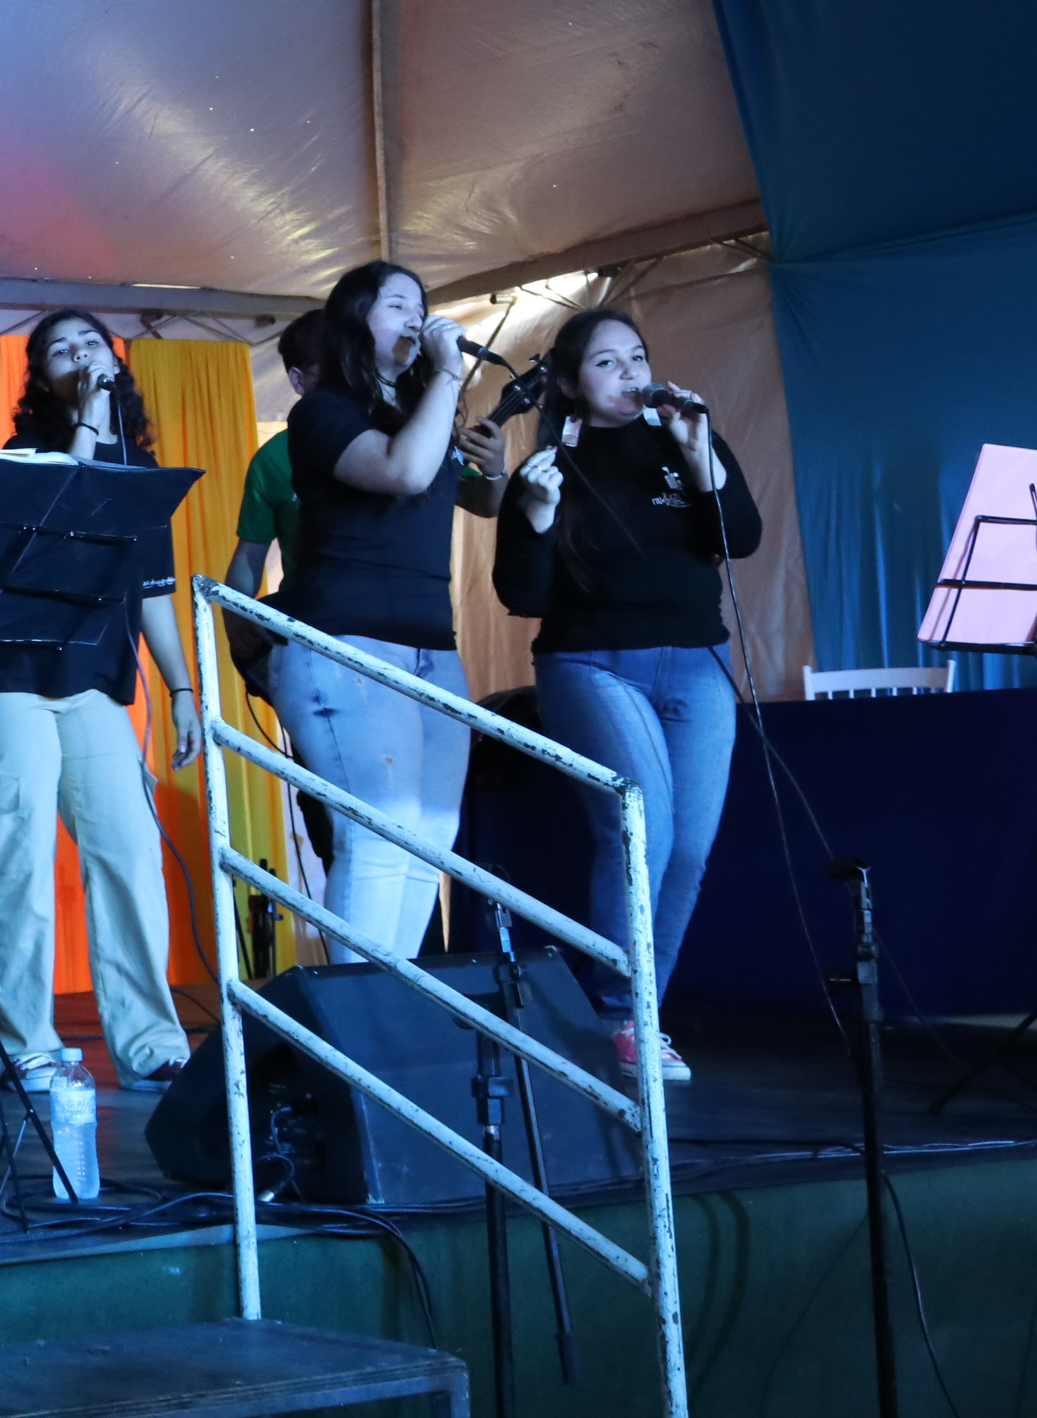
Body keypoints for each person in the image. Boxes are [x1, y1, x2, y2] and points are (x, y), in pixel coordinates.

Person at [496, 310, 758, 1080]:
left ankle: (642, 1018)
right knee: (641, 830)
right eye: (607, 362)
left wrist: (699, 453)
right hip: (594, 664)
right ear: (571, 382)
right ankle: (622, 1014)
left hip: (699, 664)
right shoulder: (549, 469)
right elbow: (520, 594)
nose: (630, 373)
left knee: (690, 850)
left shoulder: (685, 443)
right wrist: (536, 520)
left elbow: (741, 538)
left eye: (637, 357)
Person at [0, 312, 199, 1092]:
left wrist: (182, 687)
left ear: (114, 359)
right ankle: (25, 1041)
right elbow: (52, 522)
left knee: (129, 853)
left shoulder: (138, 468)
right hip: (11, 679)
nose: (78, 354)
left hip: (95, 680)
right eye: (59, 349)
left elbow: (154, 591)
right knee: (21, 860)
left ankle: (151, 1042)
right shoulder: (21, 458)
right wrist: (90, 425)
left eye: (91, 343)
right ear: (39, 375)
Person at [268, 261, 473, 961]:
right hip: (347, 645)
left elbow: (465, 495)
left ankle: (392, 1002)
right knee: (380, 835)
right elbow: (402, 472)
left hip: (431, 645)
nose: (417, 318)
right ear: (355, 323)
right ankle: (361, 1018)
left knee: (429, 838)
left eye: (421, 305)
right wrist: (448, 374)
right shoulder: (323, 411)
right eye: (396, 306)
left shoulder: (420, 413)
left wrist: (502, 469)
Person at [224, 310, 335, 865]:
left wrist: (494, 472)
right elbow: (247, 558)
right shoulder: (274, 459)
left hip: (387, 650)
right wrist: (237, 627)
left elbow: (484, 498)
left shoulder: (394, 438)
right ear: (298, 379)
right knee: (326, 806)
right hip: (310, 649)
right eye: (331, 367)